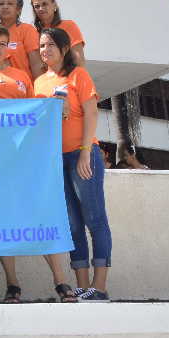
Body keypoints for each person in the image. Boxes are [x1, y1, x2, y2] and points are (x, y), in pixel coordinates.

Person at [0, 24, 73, 303]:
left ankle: (61, 282)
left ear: (9, 48)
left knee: (39, 214)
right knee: (2, 220)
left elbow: (33, 116)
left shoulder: (22, 76)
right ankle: (13, 285)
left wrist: (56, 107)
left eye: (2, 44)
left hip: (21, 158)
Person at [35, 27, 111, 302]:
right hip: (56, 160)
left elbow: (91, 112)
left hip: (82, 155)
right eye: (42, 46)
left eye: (51, 45)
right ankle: (81, 287)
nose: (46, 50)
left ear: (65, 48)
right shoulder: (39, 82)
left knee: (95, 219)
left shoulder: (78, 74)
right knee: (72, 225)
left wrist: (84, 152)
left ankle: (99, 286)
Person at [0, 0, 43, 79]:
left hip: (23, 87)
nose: (5, 7)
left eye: (10, 4)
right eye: (1, 4)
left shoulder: (27, 30)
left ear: (19, 9)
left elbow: (36, 64)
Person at [31, 0, 86, 66]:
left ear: (54, 5)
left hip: (67, 75)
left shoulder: (69, 26)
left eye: (44, 4)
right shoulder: (32, 31)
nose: (41, 8)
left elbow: (78, 58)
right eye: (37, 6)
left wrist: (79, 76)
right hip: (43, 76)